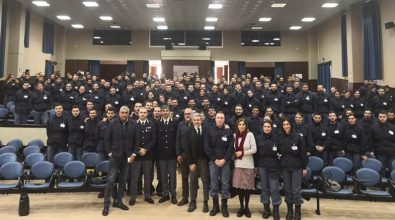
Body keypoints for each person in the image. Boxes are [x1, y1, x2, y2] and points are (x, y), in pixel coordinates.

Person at [102, 106, 139, 216]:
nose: (124, 114)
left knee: (123, 180)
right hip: (115, 157)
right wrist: (109, 153)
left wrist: (133, 154)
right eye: (122, 112)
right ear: (119, 113)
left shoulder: (134, 124)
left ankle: (119, 201)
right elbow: (106, 139)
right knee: (110, 181)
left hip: (127, 157)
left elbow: (137, 141)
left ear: (129, 113)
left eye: (126, 113)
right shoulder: (112, 123)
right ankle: (106, 205)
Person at [204, 112, 235, 218]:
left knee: (225, 184)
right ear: (215, 119)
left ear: (224, 119)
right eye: (218, 118)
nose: (220, 119)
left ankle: (224, 206)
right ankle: (215, 206)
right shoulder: (209, 130)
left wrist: (225, 159)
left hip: (225, 162)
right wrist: (214, 159)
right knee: (213, 184)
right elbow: (207, 146)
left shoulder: (229, 131)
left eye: (222, 118)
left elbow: (231, 148)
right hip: (213, 161)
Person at [278, 118, 308, 220]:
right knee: (287, 190)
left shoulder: (298, 137)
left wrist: (304, 168)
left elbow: (303, 154)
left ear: (291, 125)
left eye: (287, 124)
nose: (286, 126)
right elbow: (278, 151)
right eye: (284, 124)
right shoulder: (280, 138)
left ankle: (298, 213)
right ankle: (289, 212)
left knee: (296, 190)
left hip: (296, 167)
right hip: (285, 167)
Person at [129, 107, 157, 206]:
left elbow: (154, 139)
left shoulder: (151, 124)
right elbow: (130, 140)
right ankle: (133, 197)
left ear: (147, 114)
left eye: (144, 112)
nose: (143, 114)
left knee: (148, 177)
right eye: (141, 112)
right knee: (135, 178)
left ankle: (148, 196)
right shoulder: (133, 124)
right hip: (136, 156)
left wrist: (145, 149)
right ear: (138, 113)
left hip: (148, 155)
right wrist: (138, 150)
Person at [256, 120, 281, 220]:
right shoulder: (258, 138)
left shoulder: (276, 138)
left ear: (271, 127)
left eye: (268, 126)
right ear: (262, 127)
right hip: (262, 166)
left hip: (274, 166)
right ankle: (266, 209)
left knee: (274, 189)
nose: (266, 128)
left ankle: (276, 210)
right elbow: (256, 154)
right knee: (264, 188)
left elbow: (280, 151)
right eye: (265, 126)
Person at [185, 113, 210, 213]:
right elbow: (186, 149)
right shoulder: (188, 131)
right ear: (192, 121)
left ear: (201, 120)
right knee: (193, 181)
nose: (196, 122)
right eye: (194, 120)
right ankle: (193, 202)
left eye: (198, 120)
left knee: (205, 181)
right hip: (193, 161)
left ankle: (205, 202)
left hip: (203, 160)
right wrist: (190, 163)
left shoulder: (206, 129)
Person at [232, 118, 257, 218]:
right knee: (239, 188)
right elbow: (231, 148)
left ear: (246, 126)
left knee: (246, 188)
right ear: (237, 126)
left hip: (248, 164)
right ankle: (241, 207)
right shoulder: (234, 136)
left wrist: (242, 153)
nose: (241, 126)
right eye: (240, 124)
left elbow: (254, 149)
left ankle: (247, 207)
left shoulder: (250, 135)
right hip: (238, 164)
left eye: (243, 124)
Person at [156, 105, 179, 204]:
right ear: (161, 112)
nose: (165, 112)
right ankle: (165, 194)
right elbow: (156, 139)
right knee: (163, 175)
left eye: (167, 111)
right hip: (161, 154)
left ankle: (173, 194)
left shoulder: (175, 122)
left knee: (173, 175)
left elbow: (177, 139)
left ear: (170, 112)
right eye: (163, 110)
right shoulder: (157, 123)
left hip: (172, 154)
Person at [175, 108, 193, 206]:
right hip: (183, 155)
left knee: (194, 179)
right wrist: (178, 154)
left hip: (194, 155)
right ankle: (185, 198)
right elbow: (177, 140)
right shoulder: (180, 125)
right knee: (184, 178)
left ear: (192, 114)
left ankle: (193, 199)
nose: (187, 115)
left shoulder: (197, 123)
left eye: (189, 114)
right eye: (186, 114)